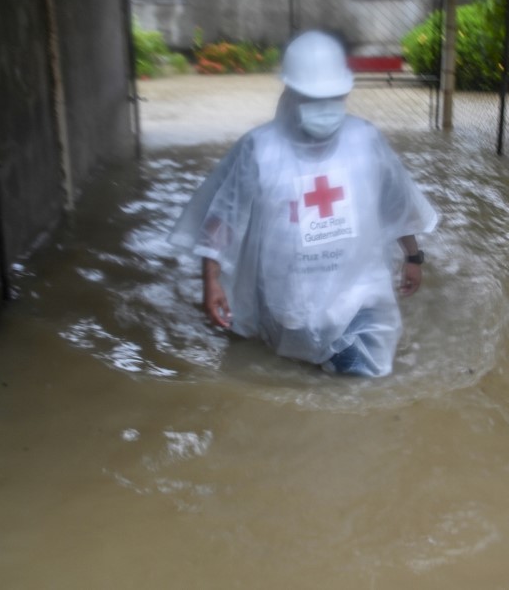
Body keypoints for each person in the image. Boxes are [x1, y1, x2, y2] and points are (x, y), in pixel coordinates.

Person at [167, 30, 437, 377]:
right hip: (289, 296)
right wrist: (212, 280)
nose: (325, 108)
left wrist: (413, 258)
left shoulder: (365, 140)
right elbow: (225, 216)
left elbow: (396, 202)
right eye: (313, 98)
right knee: (289, 365)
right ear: (291, 94)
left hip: (360, 295)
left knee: (365, 380)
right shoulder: (260, 148)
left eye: (333, 97)